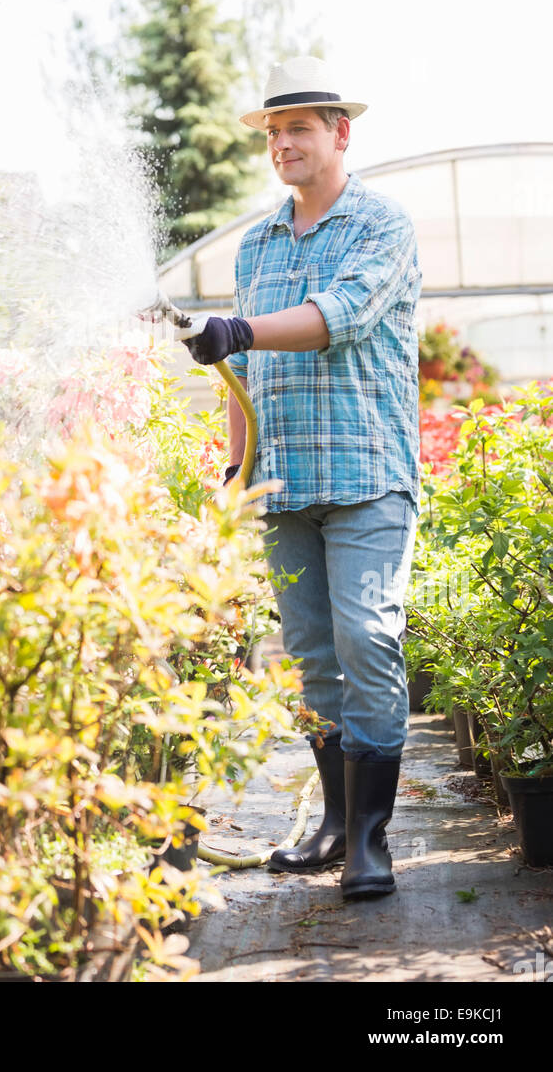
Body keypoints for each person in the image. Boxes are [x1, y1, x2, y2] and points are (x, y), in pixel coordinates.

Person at [182, 56, 421, 900]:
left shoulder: (382, 227)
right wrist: (233, 470)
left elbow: (340, 319)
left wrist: (236, 329)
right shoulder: (256, 244)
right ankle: (329, 824)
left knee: (369, 638)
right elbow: (238, 373)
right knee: (315, 660)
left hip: (366, 477)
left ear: (339, 135)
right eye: (275, 133)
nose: (283, 143)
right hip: (280, 482)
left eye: (300, 130)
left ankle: (370, 839)